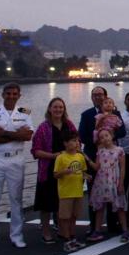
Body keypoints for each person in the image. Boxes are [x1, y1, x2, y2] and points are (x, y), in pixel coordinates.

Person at [0, 82, 34, 251]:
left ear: (19, 95)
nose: (11, 96)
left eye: (14, 94)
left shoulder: (24, 113)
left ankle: (17, 235)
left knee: (16, 199)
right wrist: (17, 135)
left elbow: (28, 136)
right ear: (3, 95)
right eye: (8, 93)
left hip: (16, 160)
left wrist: (3, 133)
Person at [31, 97, 78, 244]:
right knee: (46, 203)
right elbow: (35, 151)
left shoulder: (69, 125)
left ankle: (63, 230)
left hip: (67, 169)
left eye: (61, 107)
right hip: (49, 169)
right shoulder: (43, 128)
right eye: (55, 107)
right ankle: (46, 231)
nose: (58, 110)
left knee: (63, 202)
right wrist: (53, 156)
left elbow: (78, 142)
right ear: (50, 109)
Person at [85, 128, 129, 242]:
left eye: (106, 135)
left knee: (119, 206)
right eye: (101, 137)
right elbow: (96, 167)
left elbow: (123, 168)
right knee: (100, 207)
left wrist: (121, 184)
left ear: (112, 135)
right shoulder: (100, 151)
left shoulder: (119, 150)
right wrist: (87, 159)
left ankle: (125, 230)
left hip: (115, 180)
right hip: (101, 181)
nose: (104, 139)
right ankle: (97, 230)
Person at [53, 131, 89, 252]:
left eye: (77, 140)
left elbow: (82, 171)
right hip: (66, 192)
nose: (76, 143)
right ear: (66, 143)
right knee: (64, 217)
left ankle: (73, 237)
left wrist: (86, 176)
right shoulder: (61, 157)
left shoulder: (80, 157)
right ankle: (66, 239)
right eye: (73, 141)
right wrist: (65, 171)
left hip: (78, 191)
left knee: (74, 216)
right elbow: (56, 174)